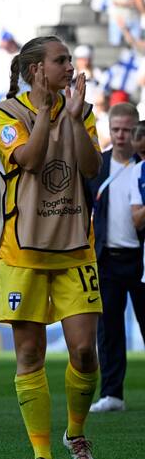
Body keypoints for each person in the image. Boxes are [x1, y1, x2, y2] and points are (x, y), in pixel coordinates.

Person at [0, 36, 102, 459]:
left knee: (85, 351)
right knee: (29, 353)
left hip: (75, 248)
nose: (70, 66)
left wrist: (71, 119)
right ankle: (42, 456)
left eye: (70, 59)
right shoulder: (4, 114)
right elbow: (29, 161)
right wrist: (50, 113)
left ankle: (76, 434)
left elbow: (91, 168)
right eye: (61, 60)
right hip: (23, 252)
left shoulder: (84, 112)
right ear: (36, 70)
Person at [89, 102, 144, 413]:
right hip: (107, 258)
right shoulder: (98, 165)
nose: (121, 136)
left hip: (141, 258)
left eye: (127, 130)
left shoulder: (144, 164)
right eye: (115, 130)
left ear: (137, 129)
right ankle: (112, 394)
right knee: (108, 328)